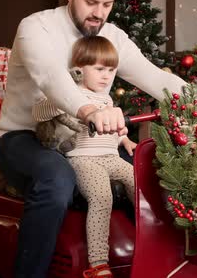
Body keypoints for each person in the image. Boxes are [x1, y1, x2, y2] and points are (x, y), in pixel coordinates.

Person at [0, 0, 197, 278]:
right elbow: (50, 78)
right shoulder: (36, 27)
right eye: (90, 2)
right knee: (57, 180)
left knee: (148, 176)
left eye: (107, 4)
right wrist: (90, 110)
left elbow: (157, 78)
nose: (98, 13)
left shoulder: (111, 37)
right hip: (26, 137)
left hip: (87, 143)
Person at [32, 36, 137, 277]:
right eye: (99, 69)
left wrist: (124, 139)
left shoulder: (107, 99)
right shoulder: (70, 95)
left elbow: (114, 130)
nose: (106, 76)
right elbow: (40, 112)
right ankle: (98, 262)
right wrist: (61, 98)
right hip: (84, 159)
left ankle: (149, 243)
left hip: (111, 157)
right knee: (102, 196)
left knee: (140, 188)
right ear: (79, 69)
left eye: (111, 70)